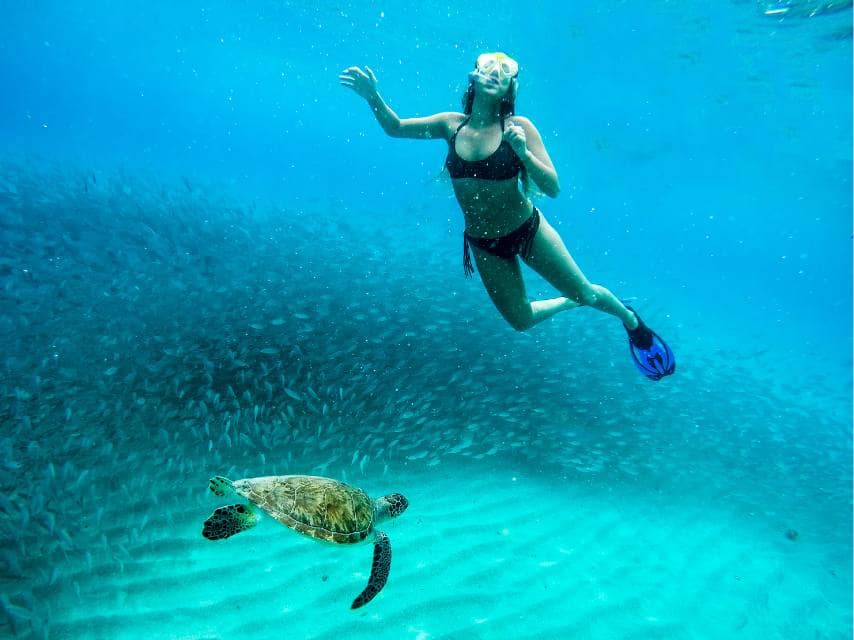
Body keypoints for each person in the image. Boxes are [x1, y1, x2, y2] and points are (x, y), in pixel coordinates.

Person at [339, 52, 675, 380]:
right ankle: (569, 302)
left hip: (528, 231)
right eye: (487, 68)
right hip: (484, 244)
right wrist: (373, 96)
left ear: (509, 89)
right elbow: (396, 127)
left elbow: (553, 187)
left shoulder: (519, 127)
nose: (494, 74)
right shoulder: (450, 124)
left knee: (586, 294)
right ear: (473, 78)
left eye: (503, 73)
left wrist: (523, 152)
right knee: (521, 320)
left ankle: (632, 322)